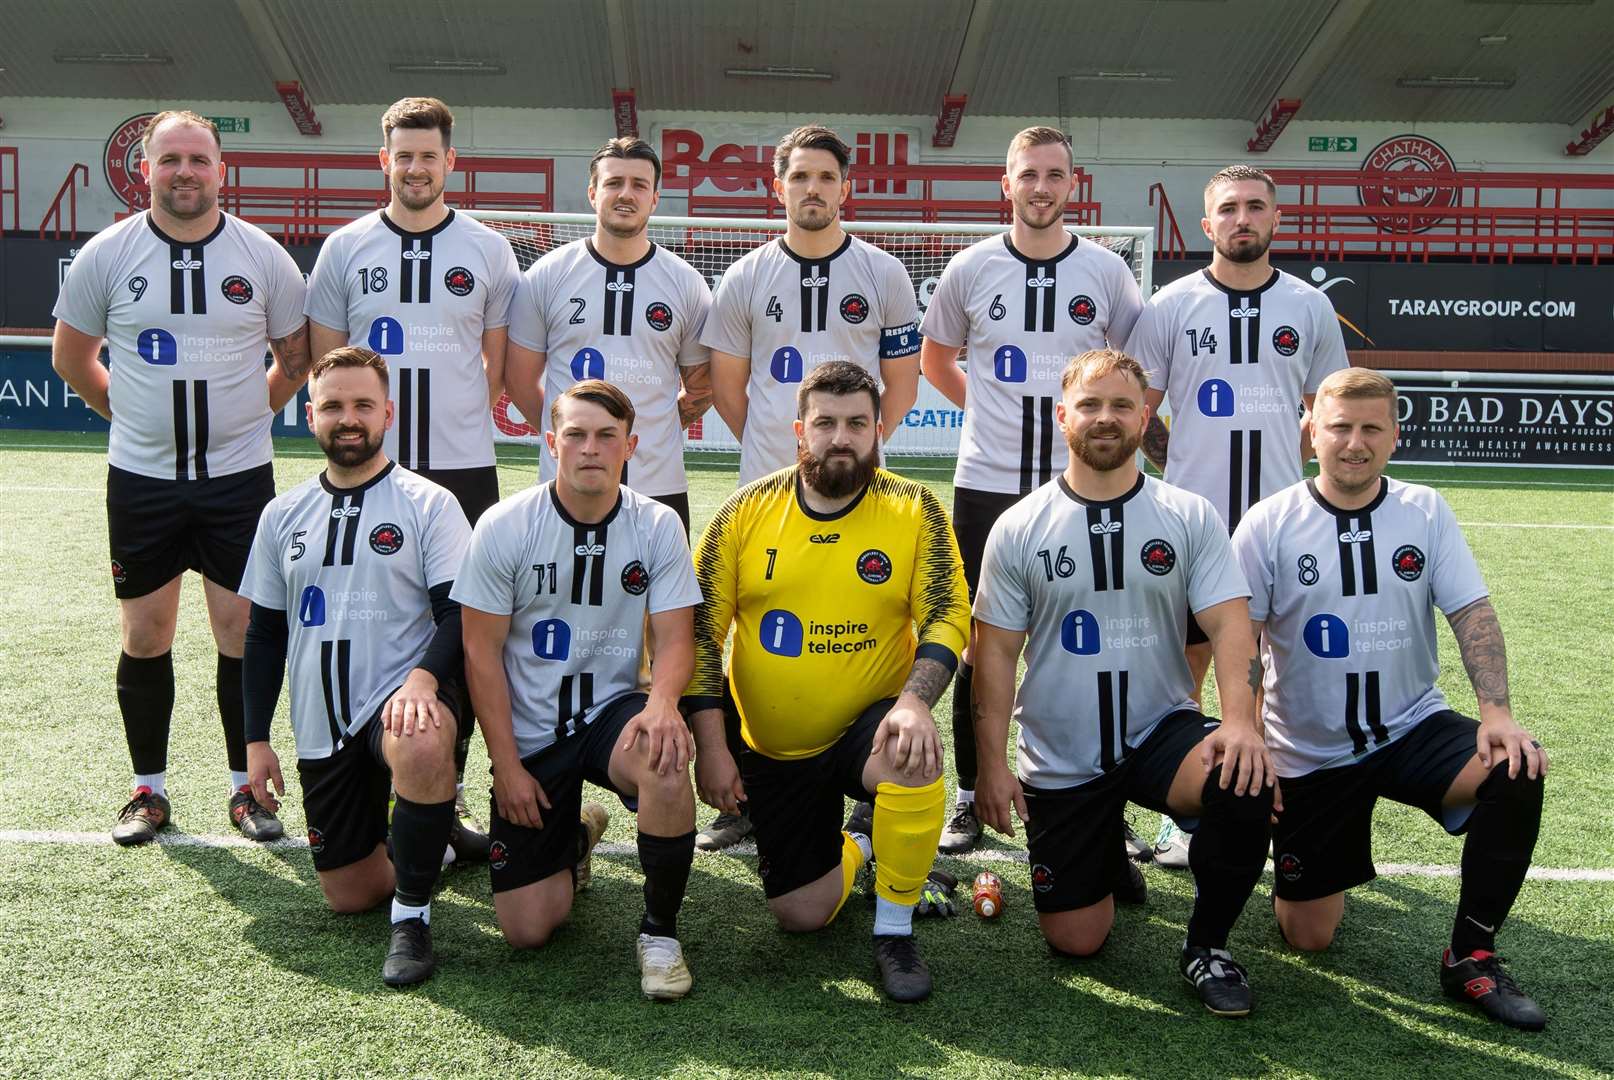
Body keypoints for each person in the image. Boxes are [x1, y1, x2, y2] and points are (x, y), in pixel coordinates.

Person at [1232, 367, 1548, 1030]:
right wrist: (1252, 737)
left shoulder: (1424, 510)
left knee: (1516, 765)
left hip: (1411, 728)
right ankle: (1318, 861)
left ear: (1394, 436)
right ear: (1311, 432)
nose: (1354, 441)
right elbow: (1242, 643)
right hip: (1311, 752)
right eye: (1339, 426)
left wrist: (1497, 714)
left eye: (1371, 427)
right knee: (1309, 936)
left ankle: (1471, 954)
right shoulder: (1268, 523)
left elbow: (1472, 612)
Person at [972, 348, 1275, 1018]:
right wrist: (990, 767)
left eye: (1120, 406)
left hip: (1160, 731)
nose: (1105, 419)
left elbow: (1230, 628)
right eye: (1090, 404)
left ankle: (1208, 947)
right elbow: (992, 656)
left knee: (1244, 774)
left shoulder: (1189, 515)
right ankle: (1104, 847)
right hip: (1062, 752)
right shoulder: (1020, 526)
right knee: (1076, 942)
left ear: (1145, 416)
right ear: (1063, 416)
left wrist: (1241, 723)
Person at [51, 110, 311, 846]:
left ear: (221, 169)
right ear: (146, 170)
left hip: (237, 482)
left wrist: (250, 417)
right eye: (170, 160)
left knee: (240, 631)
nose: (185, 172)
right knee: (146, 631)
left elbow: (295, 361)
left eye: (198, 159)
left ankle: (244, 790)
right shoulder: (109, 253)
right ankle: (149, 790)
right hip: (143, 481)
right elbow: (72, 359)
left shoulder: (263, 257)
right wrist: (125, 413)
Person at [685, 361, 970, 1003]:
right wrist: (711, 745)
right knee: (801, 915)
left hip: (866, 725)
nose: (841, 437)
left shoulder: (914, 509)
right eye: (826, 423)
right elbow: (703, 634)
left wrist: (915, 702)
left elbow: (950, 612)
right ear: (799, 431)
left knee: (909, 749)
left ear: (877, 431)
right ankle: (864, 842)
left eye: (856, 424)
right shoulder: (743, 512)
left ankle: (894, 930)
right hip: (774, 747)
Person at [305, 96, 522, 859]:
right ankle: (364, 779)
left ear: (450, 162)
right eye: (404, 155)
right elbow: (327, 363)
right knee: (371, 619)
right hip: (371, 476)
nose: (416, 167)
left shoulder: (491, 250)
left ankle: (444, 796)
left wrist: (456, 426)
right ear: (384, 160)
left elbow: (491, 367)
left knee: (464, 638)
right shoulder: (344, 249)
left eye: (429, 155)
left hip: (463, 471)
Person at [698, 124, 923, 849]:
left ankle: (867, 781)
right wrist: (778, 448)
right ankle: (742, 796)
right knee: (746, 632)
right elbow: (730, 388)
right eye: (800, 177)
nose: (813, 190)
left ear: (845, 188)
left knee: (873, 624)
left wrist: (849, 451)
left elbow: (903, 386)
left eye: (826, 177)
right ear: (779, 186)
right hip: (768, 492)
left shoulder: (884, 273)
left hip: (861, 493)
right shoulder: (745, 276)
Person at [919, 125, 1143, 854]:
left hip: (1084, 491)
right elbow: (936, 358)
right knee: (981, 641)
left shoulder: (1108, 273)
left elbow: (1131, 376)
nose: (1041, 186)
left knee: (1090, 639)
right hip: (985, 486)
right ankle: (965, 795)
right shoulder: (971, 267)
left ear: (1071, 185)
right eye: (1028, 174)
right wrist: (987, 410)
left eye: (1054, 174)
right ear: (1006, 185)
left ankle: (1104, 787)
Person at [1128, 163, 1348, 867]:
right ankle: (1184, 808)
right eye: (1228, 208)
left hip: (1287, 524)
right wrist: (1178, 474)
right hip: (1198, 527)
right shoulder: (1169, 305)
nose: (1242, 218)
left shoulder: (1309, 308)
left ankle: (1287, 797)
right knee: (1185, 666)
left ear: (1276, 219)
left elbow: (1331, 409)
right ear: (1207, 223)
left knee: (1288, 663)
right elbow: (1140, 409)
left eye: (1255, 206)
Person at [455, 381, 704, 1000]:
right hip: (533, 731)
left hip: (612, 714)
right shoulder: (506, 525)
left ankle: (660, 933)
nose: (590, 448)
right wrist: (506, 767)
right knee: (528, 929)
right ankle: (578, 834)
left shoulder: (658, 524)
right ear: (551, 443)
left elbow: (676, 639)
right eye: (575, 434)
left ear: (630, 447)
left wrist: (664, 704)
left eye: (606, 436)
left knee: (666, 757)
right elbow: (479, 654)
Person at [240, 346, 469, 987]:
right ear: (310, 414)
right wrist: (256, 742)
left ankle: (413, 918)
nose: (349, 418)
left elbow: (458, 616)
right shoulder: (281, 514)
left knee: (421, 739)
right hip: (322, 719)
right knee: (347, 894)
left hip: (402, 695)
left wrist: (423, 680)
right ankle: (442, 840)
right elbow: (263, 634)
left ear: (387, 413)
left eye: (363, 404)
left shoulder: (429, 504)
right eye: (334, 405)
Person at [505, 136, 713, 536]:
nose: (626, 195)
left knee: (659, 599)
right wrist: (572, 437)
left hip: (658, 486)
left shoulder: (686, 283)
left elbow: (702, 387)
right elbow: (519, 379)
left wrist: (656, 428)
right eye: (614, 183)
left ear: (654, 198)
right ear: (592, 192)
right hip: (565, 485)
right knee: (557, 596)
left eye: (639, 185)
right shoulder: (548, 275)